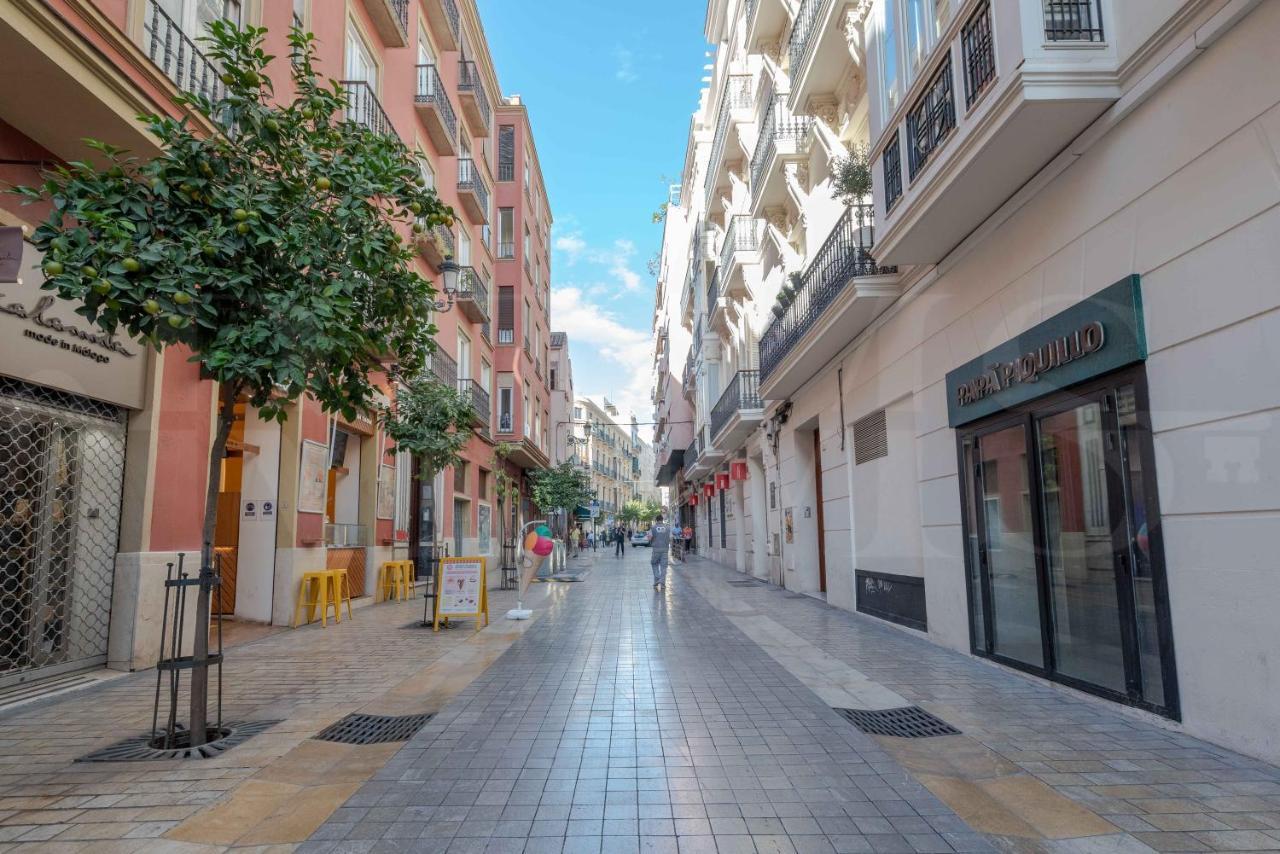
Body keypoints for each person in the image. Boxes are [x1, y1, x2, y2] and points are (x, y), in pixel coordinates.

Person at [649, 514, 671, 590]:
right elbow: (671, 538)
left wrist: (652, 541)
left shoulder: (653, 527)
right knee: (663, 567)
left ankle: (657, 578)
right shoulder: (668, 527)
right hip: (665, 549)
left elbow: (650, 537)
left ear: (656, 520)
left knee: (654, 563)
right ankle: (662, 584)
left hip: (656, 549)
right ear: (662, 520)